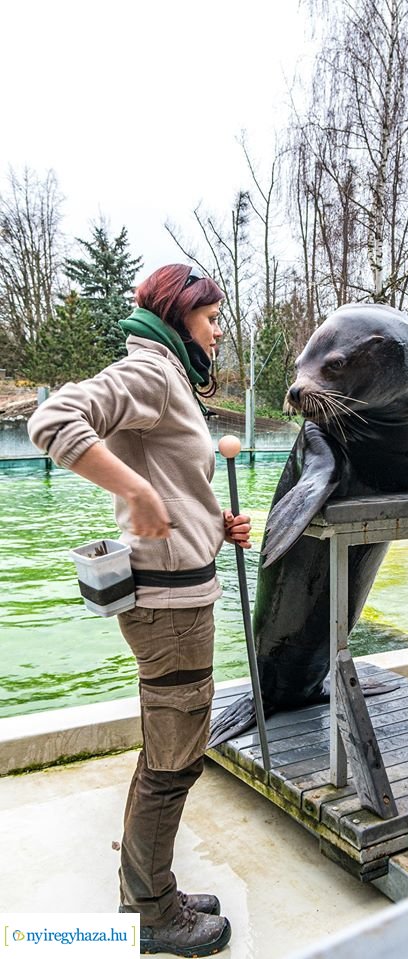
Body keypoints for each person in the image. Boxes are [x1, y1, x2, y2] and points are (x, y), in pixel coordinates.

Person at [28, 263, 250, 957]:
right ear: (182, 314)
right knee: (173, 761)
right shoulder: (151, 372)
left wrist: (215, 522)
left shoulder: (168, 375)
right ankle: (151, 912)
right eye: (212, 320)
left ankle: (149, 887)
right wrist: (141, 497)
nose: (218, 334)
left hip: (179, 593)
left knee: (170, 750)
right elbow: (53, 419)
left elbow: (172, 478)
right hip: (170, 607)